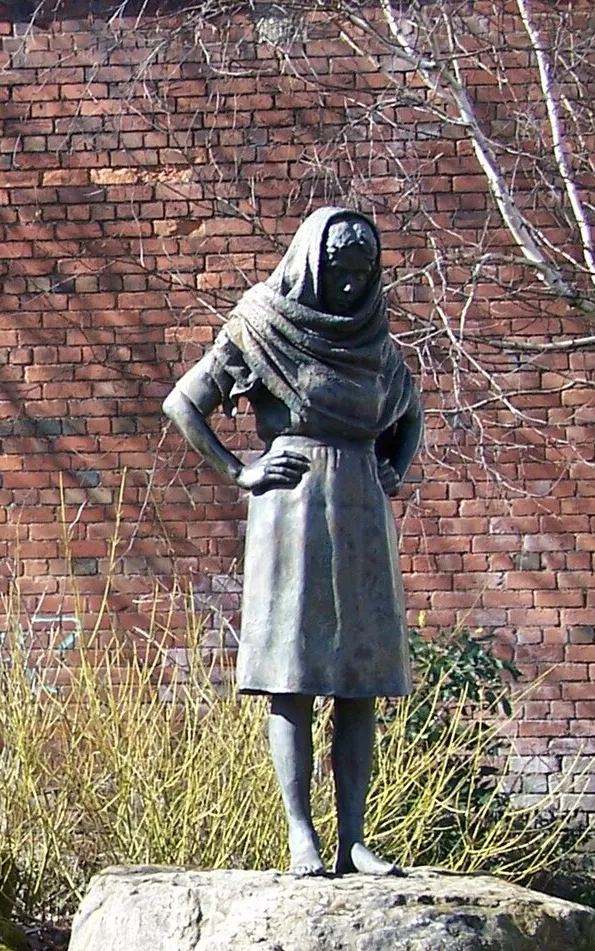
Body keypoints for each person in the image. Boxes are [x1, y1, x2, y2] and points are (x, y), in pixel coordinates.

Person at [161, 206, 423, 877]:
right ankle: (300, 833)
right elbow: (184, 402)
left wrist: (396, 463)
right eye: (339, 272)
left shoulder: (374, 341)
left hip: (362, 510)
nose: (348, 287)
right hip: (293, 509)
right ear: (312, 263)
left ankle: (355, 839)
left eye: (362, 275)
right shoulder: (260, 325)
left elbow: (408, 408)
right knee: (292, 678)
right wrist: (239, 471)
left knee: (360, 683)